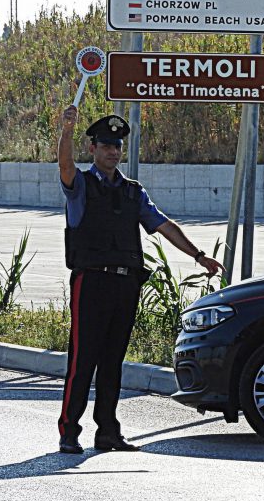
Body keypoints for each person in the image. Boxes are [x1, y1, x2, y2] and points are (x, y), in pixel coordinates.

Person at [57, 105, 224, 454]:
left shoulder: (134, 191)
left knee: (112, 361)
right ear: (93, 149)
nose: (112, 152)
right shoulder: (81, 185)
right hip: (91, 282)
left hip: (124, 283)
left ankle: (107, 432)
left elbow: (163, 225)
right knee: (82, 359)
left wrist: (198, 256)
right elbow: (65, 167)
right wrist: (66, 132)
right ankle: (70, 431)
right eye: (105, 145)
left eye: (117, 146)